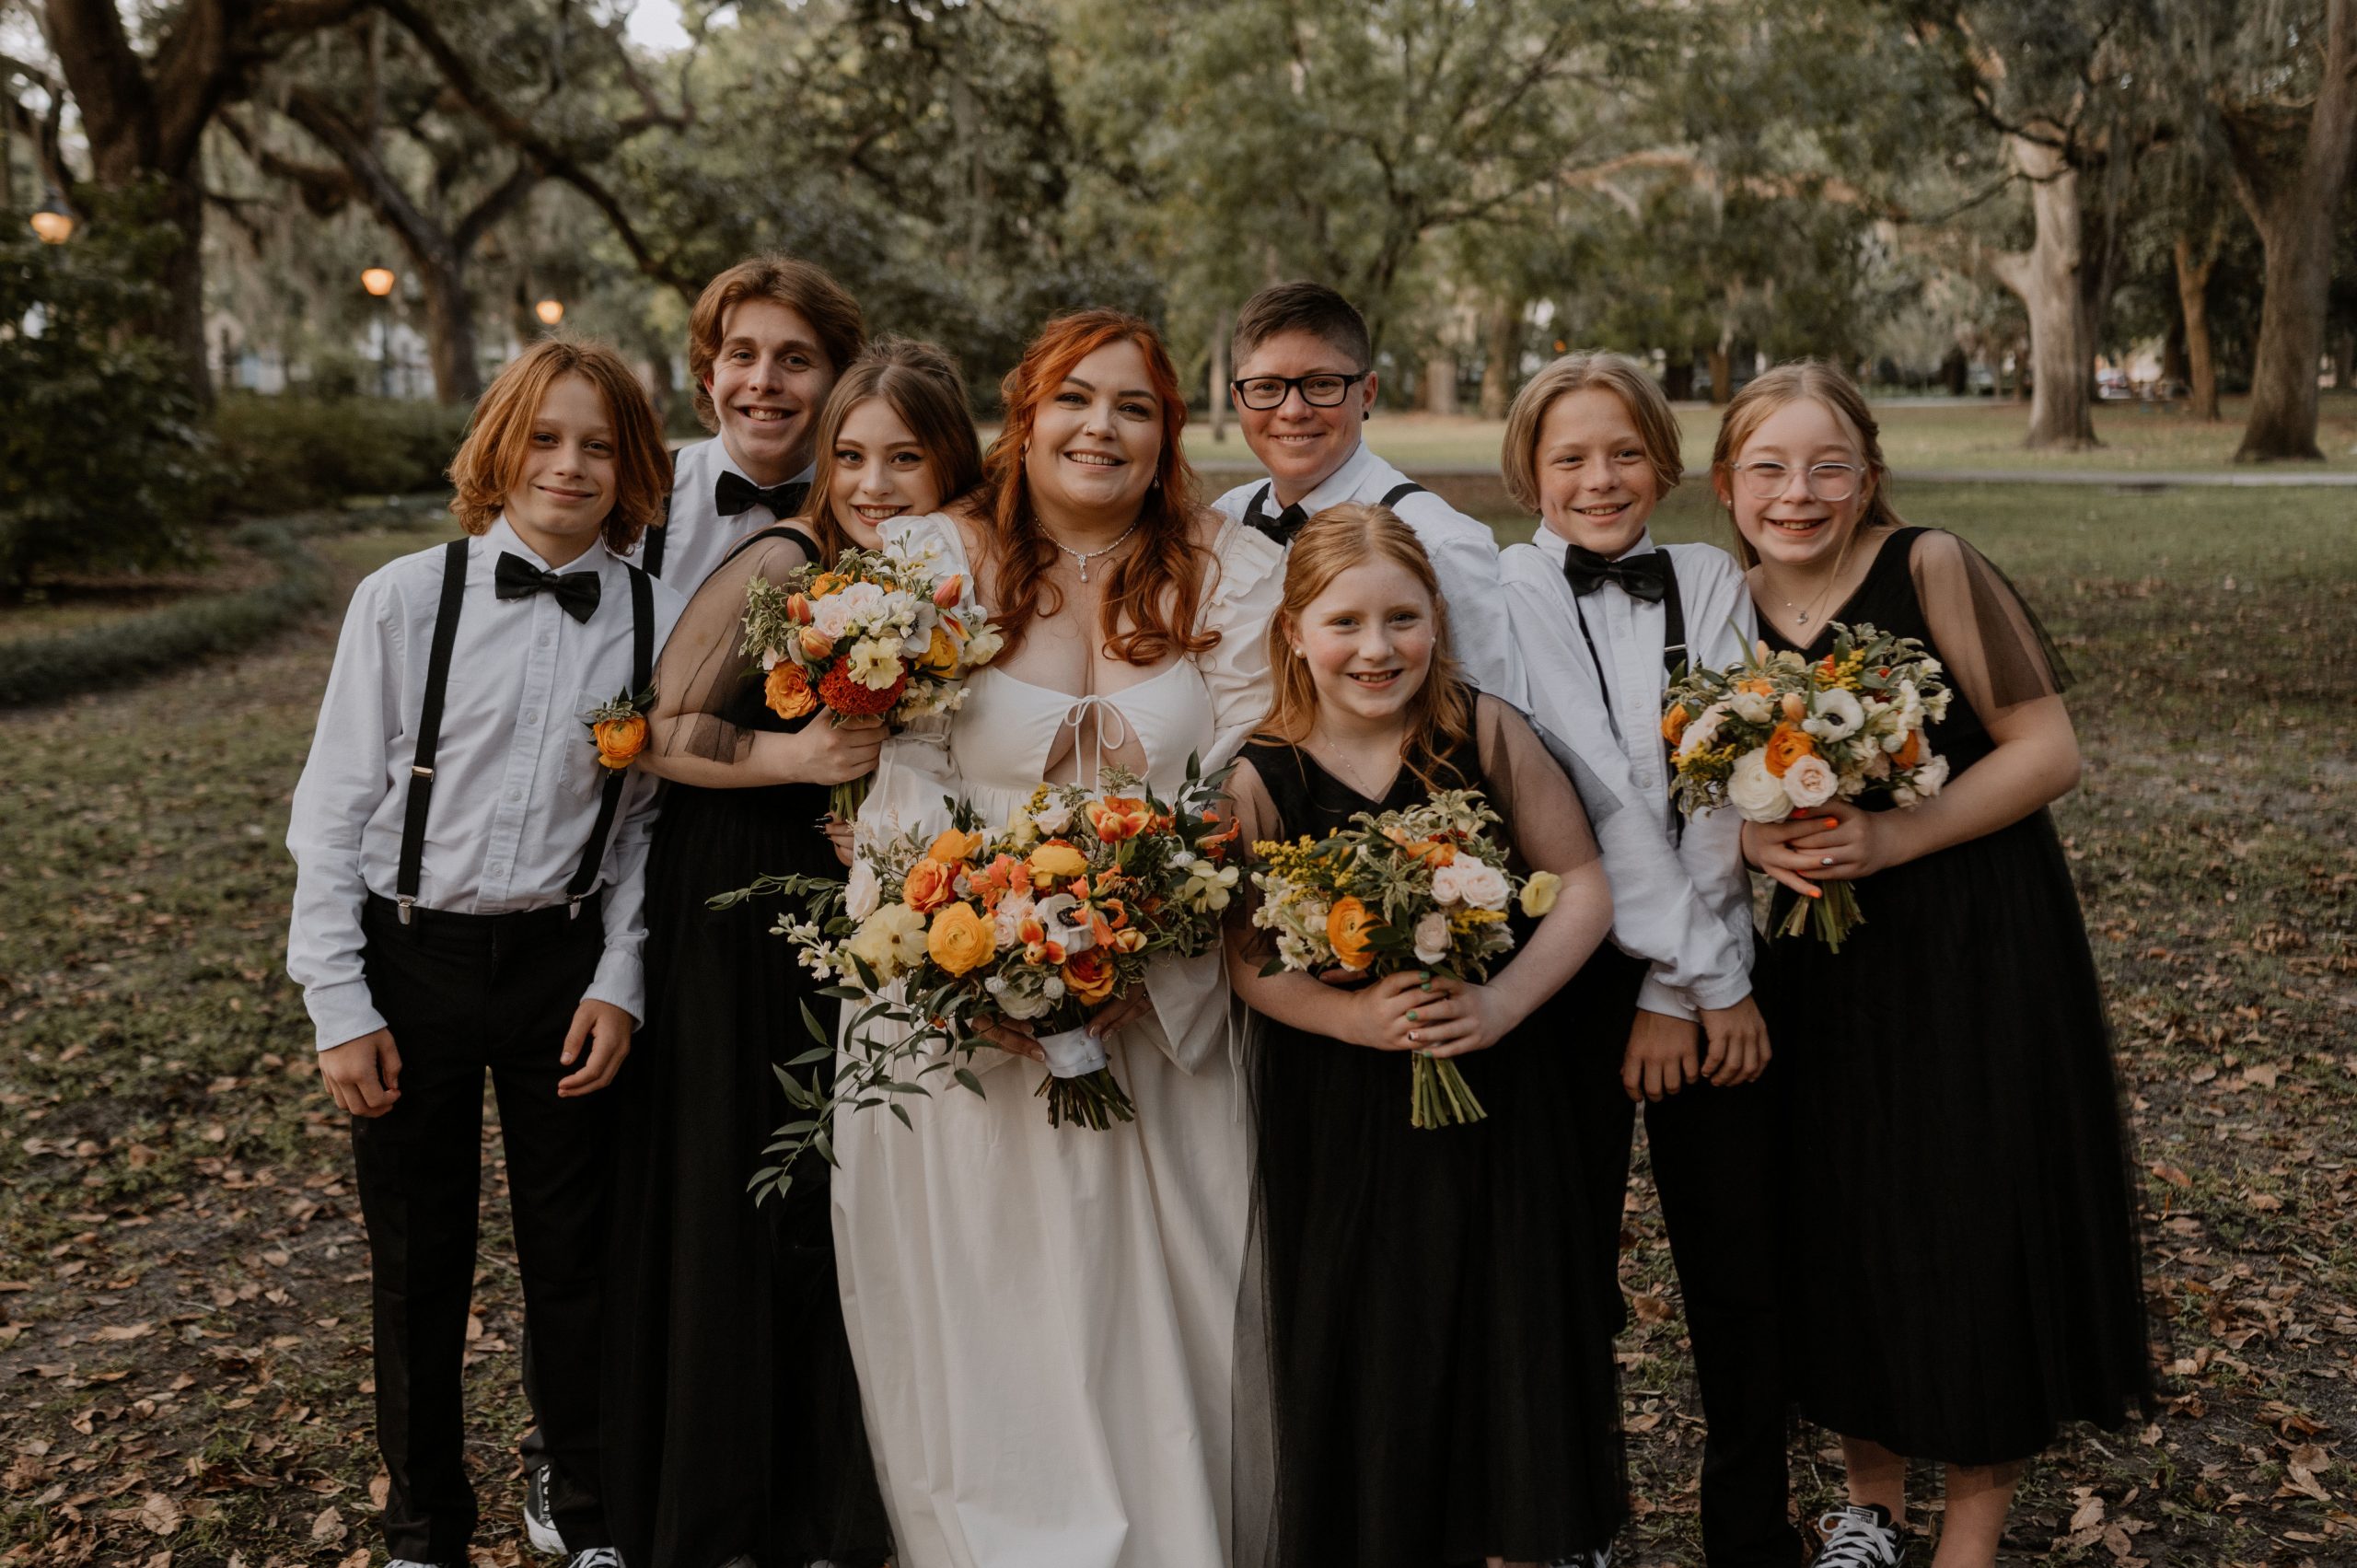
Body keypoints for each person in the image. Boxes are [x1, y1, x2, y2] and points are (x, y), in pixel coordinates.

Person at [838, 308, 1285, 1568]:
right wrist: (962, 955)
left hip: (1169, 998)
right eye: (1076, 399)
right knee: (995, 1294)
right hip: (963, 995)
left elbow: (1261, 763)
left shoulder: (1232, 571)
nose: (1103, 427)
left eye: (1135, 406)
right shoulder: (931, 557)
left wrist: (1153, 929)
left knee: (1170, 1299)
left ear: (1167, 435)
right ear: (1023, 417)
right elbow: (899, 769)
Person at [1723, 363, 2152, 1568]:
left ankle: (1971, 1526)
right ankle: (1872, 1507)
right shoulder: (1722, 602)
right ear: (1727, 482)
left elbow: (2048, 746)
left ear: (1870, 475)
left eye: (1826, 465)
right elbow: (1690, 785)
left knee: (1971, 1212)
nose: (1797, 492)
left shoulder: (1932, 565)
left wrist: (1900, 833)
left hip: (1975, 939)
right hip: (1821, 958)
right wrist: (1752, 830)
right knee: (1848, 1210)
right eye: (1769, 466)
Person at [285, 338, 686, 1568]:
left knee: (578, 1259)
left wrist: (621, 977)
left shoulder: (654, 613)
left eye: (600, 444)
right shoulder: (407, 598)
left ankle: (590, 1509)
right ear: (500, 447)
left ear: (632, 471)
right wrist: (338, 998)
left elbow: (646, 827)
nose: (570, 464)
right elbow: (334, 805)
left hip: (564, 967)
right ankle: (424, 1527)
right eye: (546, 437)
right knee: (419, 1266)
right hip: (411, 963)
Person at [599, 339, 981, 1568]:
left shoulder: (963, 581)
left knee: (852, 1209)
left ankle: (836, 1502)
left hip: (881, 919)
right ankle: (723, 1512)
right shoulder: (786, 558)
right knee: (744, 1196)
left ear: (953, 462)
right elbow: (645, 726)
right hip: (743, 909)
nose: (872, 481)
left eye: (903, 456)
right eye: (851, 454)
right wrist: (793, 760)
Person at [1224, 504, 1625, 1568]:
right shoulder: (1260, 777)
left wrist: (1501, 1003)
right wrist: (1350, 1013)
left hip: (1497, 1093)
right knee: (1371, 1330)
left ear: (1437, 623)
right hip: (1339, 1110)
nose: (1375, 647)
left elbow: (1583, 883)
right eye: (1344, 621)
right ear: (1294, 632)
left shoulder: (1482, 733)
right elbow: (1245, 959)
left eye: (1402, 619)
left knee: (1506, 1318)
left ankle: (1522, 1540)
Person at [1497, 354, 1795, 1566]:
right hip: (1566, 968)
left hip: (1706, 964)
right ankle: (1577, 1521)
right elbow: (1596, 790)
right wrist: (1696, 975)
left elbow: (1725, 778)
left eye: (1623, 451)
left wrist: (1688, 987)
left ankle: (1749, 1527)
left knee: (1738, 1262)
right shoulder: (1507, 584)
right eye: (1570, 456)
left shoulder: (1713, 575)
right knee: (1564, 1265)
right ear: (1530, 471)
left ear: (1664, 462)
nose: (1599, 477)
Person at [1208, 281, 1520, 701]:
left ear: (1367, 392)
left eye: (1321, 384)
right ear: (1237, 399)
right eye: (1266, 387)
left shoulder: (1441, 543)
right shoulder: (1225, 521)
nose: (1293, 410)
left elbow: (1495, 717)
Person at [636, 254, 867, 590]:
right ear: (710, 378)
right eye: (742, 355)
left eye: (794, 359)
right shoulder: (640, 495)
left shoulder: (873, 504)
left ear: (838, 382)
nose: (763, 382)